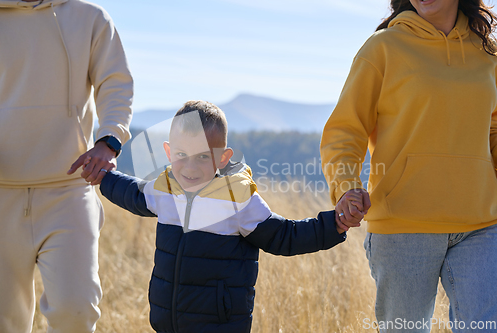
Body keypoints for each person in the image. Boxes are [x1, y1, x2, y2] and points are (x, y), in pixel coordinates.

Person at [100, 100, 363, 333]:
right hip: (166, 322)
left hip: (220, 325)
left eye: (203, 157)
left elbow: (284, 236)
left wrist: (334, 224)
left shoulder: (237, 199)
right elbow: (133, 194)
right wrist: (104, 176)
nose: (190, 168)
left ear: (224, 158)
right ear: (169, 152)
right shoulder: (165, 189)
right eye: (182, 155)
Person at [320, 0, 497, 332]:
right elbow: (346, 129)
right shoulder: (382, 48)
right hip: (404, 226)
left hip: (482, 225)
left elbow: (493, 128)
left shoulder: (487, 51)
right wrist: (345, 187)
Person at [0, 0, 133, 332]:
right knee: (3, 321)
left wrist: (109, 140)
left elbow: (115, 84)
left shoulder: (91, 18)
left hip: (69, 189)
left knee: (76, 311)